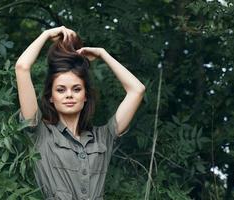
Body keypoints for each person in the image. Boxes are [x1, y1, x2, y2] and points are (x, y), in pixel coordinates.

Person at [15, 26, 145, 200]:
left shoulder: (102, 137)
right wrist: (45, 35)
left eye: (76, 89)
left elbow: (137, 90)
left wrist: (103, 54)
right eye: (61, 90)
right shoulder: (40, 133)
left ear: (85, 96)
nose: (69, 94)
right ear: (51, 97)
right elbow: (22, 67)